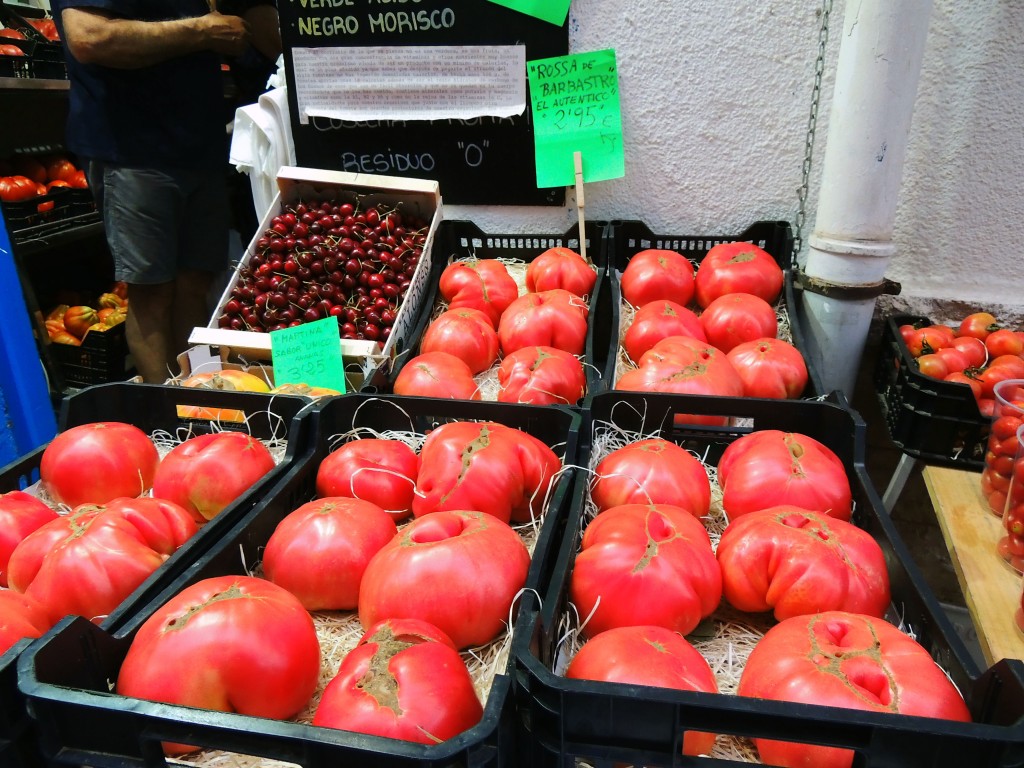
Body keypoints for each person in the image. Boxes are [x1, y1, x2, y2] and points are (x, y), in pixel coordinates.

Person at [50, 1, 272, 383]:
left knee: (196, 286)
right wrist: (202, 31)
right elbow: (89, 37)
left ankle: (206, 397)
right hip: (133, 149)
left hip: (198, 146)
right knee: (151, 292)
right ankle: (167, 415)